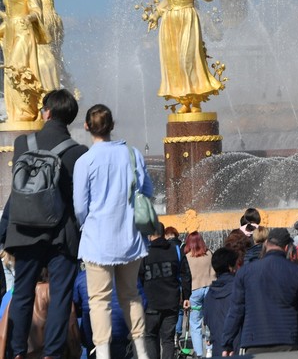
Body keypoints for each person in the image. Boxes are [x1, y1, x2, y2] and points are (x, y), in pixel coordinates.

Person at [4, 89, 88, 359]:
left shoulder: (21, 144)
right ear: (70, 118)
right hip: (60, 233)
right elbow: (78, 199)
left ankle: (17, 351)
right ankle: (52, 352)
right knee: (61, 295)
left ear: (47, 112)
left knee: (22, 292)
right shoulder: (78, 152)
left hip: (24, 229)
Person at [72, 104, 152, 359]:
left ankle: (103, 354)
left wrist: (90, 222)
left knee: (99, 300)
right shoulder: (132, 154)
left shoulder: (85, 161)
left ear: (87, 126)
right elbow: (147, 192)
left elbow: (79, 206)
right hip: (130, 237)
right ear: (112, 125)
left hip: (97, 240)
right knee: (131, 295)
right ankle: (142, 352)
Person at [151, 0, 223, 113]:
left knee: (188, 59)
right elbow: (167, 0)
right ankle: (184, 100)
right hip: (170, 22)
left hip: (187, 17)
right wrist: (156, 14)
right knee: (173, 62)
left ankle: (196, 99)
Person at [221, 229, 298, 354]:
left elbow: (236, 310)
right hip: (287, 340)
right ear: (287, 247)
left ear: (265, 244)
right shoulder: (297, 271)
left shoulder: (245, 271)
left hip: (254, 341)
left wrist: (227, 343)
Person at [1, 0, 49, 122]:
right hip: (10, 32)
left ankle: (26, 111)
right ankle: (14, 113)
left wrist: (29, 18)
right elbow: (9, 14)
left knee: (18, 69)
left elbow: (37, 11)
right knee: (8, 71)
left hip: (23, 31)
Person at [140, 227, 191, 359]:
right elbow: (185, 274)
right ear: (163, 234)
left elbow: (138, 277)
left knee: (150, 337)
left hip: (150, 303)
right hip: (171, 302)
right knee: (168, 340)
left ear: (150, 235)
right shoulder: (175, 250)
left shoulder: (144, 252)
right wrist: (186, 296)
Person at [201, 248, 239, 355]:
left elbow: (207, 320)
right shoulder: (238, 289)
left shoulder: (210, 294)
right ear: (230, 267)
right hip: (236, 348)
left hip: (218, 348)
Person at [182, 231, 213, 357]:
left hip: (194, 290)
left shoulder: (188, 257)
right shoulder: (209, 253)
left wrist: (185, 297)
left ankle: (199, 353)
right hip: (210, 289)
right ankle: (210, 349)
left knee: (195, 323)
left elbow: (185, 278)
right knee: (210, 321)